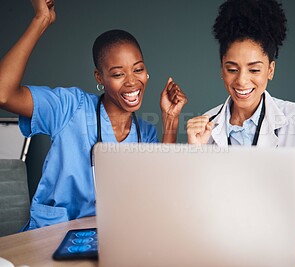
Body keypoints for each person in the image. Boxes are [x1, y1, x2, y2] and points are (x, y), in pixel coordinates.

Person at [0, 0, 187, 230]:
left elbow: (158, 196)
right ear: (100, 77)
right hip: (50, 235)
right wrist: (41, 20)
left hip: (109, 238)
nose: (131, 81)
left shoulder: (144, 133)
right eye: (118, 74)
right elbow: (3, 94)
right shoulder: (69, 107)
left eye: (138, 69)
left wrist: (170, 119)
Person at [186, 0, 295, 227]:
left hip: (284, 248)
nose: (241, 80)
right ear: (221, 68)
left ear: (270, 70)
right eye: (232, 69)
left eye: (254, 69)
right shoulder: (204, 128)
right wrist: (195, 155)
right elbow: (191, 211)